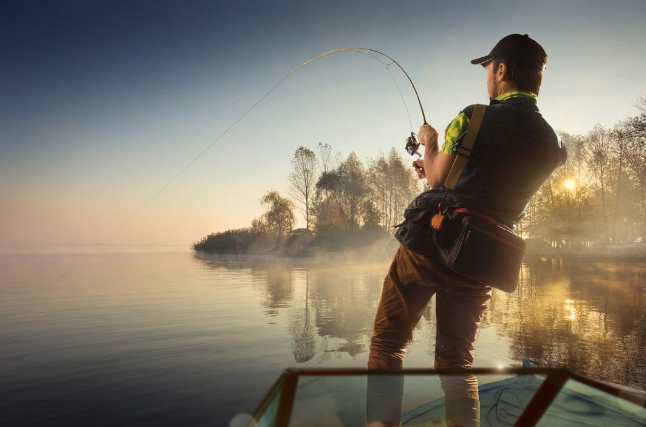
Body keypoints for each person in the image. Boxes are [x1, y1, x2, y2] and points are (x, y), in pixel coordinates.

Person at [366, 34, 567, 427]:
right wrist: (442, 173)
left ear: (502, 70)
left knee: (388, 344)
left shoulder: (475, 116)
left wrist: (430, 144)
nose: (487, 78)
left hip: (432, 244)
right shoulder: (550, 143)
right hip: (484, 258)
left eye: (489, 69)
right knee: (457, 363)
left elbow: (438, 177)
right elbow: (495, 191)